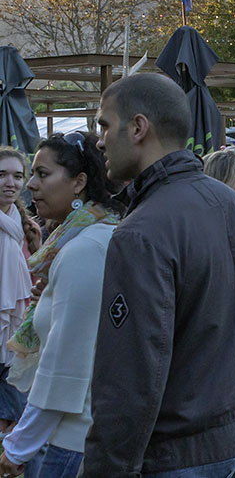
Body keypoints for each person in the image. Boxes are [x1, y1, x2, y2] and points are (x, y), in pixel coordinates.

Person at [84, 74, 235, 476]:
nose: (99, 140)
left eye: (104, 124)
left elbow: (129, 376)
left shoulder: (140, 232)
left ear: (138, 128)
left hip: (178, 452)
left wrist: (106, 468)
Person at [0, 135, 117, 477]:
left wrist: (18, 446)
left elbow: (65, 365)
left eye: (42, 174)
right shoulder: (86, 236)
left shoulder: (83, 249)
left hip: (72, 438)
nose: (30, 185)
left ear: (79, 182)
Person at [0, 148, 36, 435]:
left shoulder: (27, 228)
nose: (9, 183)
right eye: (1, 175)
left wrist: (38, 249)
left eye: (17, 176)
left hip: (16, 330)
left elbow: (35, 281)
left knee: (14, 423)